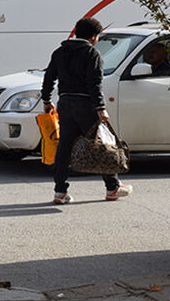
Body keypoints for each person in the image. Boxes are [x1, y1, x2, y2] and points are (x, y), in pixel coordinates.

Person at [41, 17, 131, 204]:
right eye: (97, 36)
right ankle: (113, 187)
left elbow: (49, 77)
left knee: (64, 147)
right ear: (93, 37)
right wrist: (101, 108)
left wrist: (46, 100)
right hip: (85, 105)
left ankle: (60, 191)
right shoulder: (92, 54)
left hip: (64, 103)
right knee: (102, 144)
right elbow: (95, 84)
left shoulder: (59, 52)